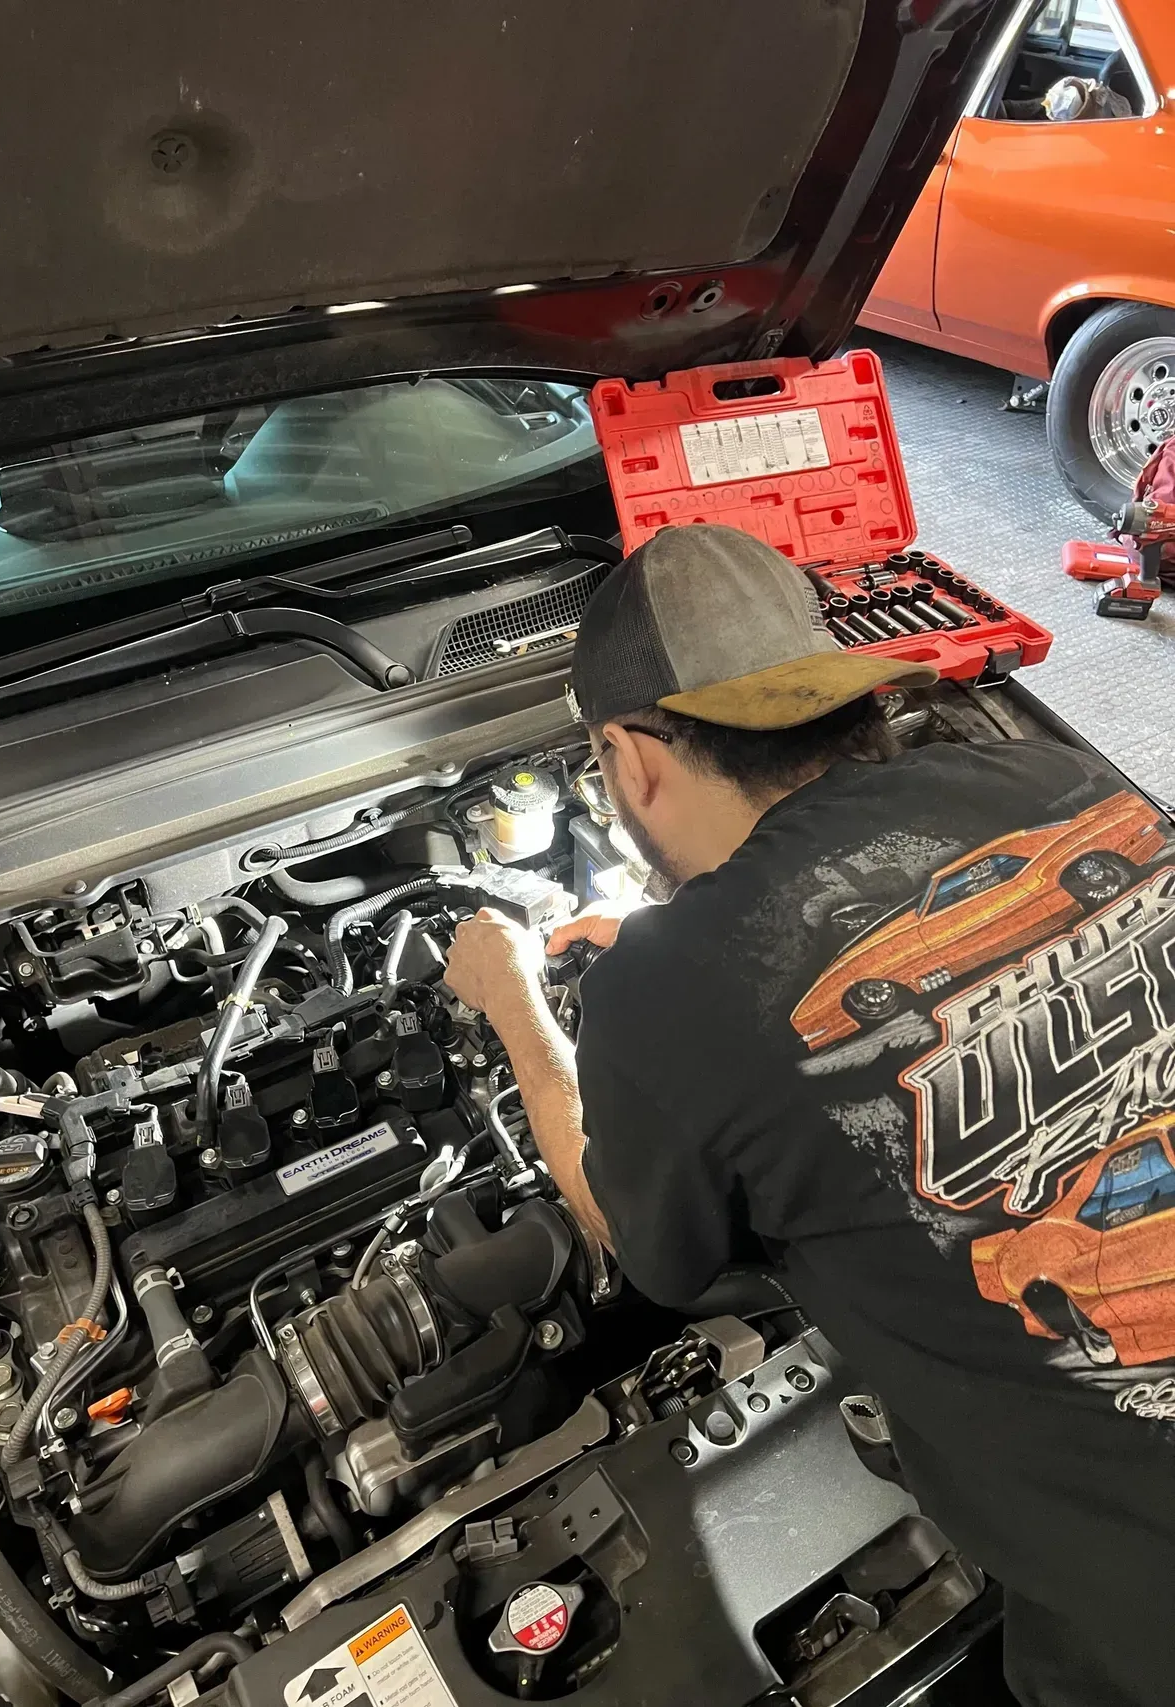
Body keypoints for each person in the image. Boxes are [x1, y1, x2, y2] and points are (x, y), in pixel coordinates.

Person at [444, 523, 1175, 1707]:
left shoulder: (665, 989)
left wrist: (517, 1005)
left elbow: (637, 1244)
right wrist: (681, 982)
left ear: (627, 759)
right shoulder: (1053, 779)